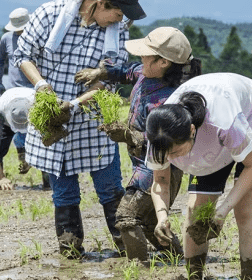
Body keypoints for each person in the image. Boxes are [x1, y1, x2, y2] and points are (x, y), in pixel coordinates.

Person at [14, 0, 145, 258]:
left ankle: (130, 251)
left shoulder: (117, 30)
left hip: (93, 120)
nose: (120, 20)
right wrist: (42, 86)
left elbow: (109, 78)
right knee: (64, 193)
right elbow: (22, 56)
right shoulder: (50, 14)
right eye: (117, 13)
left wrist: (74, 105)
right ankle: (70, 253)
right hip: (51, 118)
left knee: (110, 189)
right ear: (101, 3)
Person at [76, 26, 202, 263]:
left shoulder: (167, 100)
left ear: (163, 62)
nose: (140, 57)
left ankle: (138, 269)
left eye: (146, 54)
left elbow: (166, 141)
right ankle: (178, 259)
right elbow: (126, 72)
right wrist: (100, 73)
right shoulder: (146, 74)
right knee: (150, 221)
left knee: (126, 217)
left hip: (161, 166)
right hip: (141, 163)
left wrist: (129, 135)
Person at [145, 73, 252, 280]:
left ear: (191, 130)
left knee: (245, 209)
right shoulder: (159, 134)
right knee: (197, 209)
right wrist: (161, 217)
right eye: (167, 154)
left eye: (176, 152)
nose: (171, 159)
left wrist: (222, 211)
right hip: (209, 145)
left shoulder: (224, 123)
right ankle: (194, 279)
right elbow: (160, 181)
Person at [0, 8, 34, 177]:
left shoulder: (36, 38)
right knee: (17, 125)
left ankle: (41, 167)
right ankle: (23, 157)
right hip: (13, 90)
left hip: (33, 89)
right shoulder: (7, 39)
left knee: (36, 128)